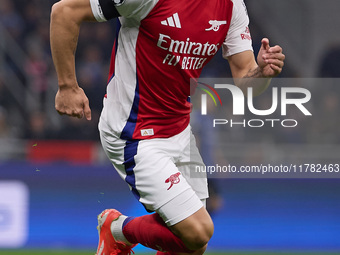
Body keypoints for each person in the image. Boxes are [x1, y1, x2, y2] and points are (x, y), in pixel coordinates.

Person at [50, 0, 285, 254]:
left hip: (179, 130)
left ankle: (117, 232)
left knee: (193, 245)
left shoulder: (231, 6)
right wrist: (67, 87)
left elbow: (245, 79)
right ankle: (116, 230)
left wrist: (262, 73)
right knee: (198, 230)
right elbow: (64, 12)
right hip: (134, 131)